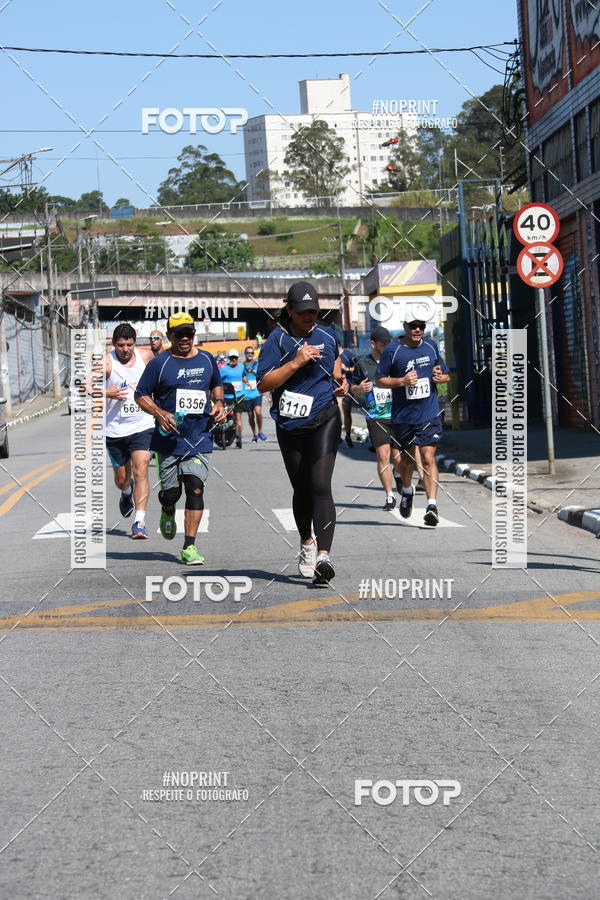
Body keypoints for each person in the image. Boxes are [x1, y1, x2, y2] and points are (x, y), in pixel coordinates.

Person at [257, 281, 348, 584]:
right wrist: (295, 363)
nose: (310, 316)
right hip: (290, 424)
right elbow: (264, 384)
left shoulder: (326, 335)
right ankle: (306, 542)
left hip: (325, 416)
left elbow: (335, 365)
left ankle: (324, 556)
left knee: (321, 484)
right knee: (303, 489)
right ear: (291, 311)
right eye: (304, 312)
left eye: (314, 311)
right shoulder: (277, 340)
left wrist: (341, 382)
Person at [134, 312, 226, 564]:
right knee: (172, 495)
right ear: (170, 335)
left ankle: (189, 547)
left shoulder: (207, 359)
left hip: (199, 437)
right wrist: (159, 412)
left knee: (195, 487)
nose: (185, 338)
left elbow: (217, 384)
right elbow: (140, 394)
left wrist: (218, 402)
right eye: (179, 334)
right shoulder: (160, 363)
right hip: (168, 440)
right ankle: (166, 509)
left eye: (189, 333)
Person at [376, 319, 450, 526]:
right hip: (404, 416)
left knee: (428, 457)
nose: (418, 330)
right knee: (406, 462)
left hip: (429, 412)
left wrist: (439, 377)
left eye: (422, 326)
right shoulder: (393, 350)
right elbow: (379, 380)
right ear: (405, 327)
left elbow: (446, 376)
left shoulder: (430, 346)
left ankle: (432, 505)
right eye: (413, 326)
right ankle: (407, 490)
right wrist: (401, 381)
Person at [103, 323, 155, 539]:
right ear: (114, 344)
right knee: (122, 479)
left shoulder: (146, 356)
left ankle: (139, 522)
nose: (125, 349)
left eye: (129, 344)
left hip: (143, 425)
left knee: (141, 468)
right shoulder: (106, 362)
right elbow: (83, 385)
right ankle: (126, 492)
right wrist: (107, 392)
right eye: (121, 345)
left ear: (135, 343)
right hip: (115, 430)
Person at [351, 326, 402, 511]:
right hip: (376, 416)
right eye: (383, 343)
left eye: (389, 342)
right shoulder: (362, 363)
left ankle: (398, 474)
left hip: (398, 415)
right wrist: (358, 389)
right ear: (373, 344)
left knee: (398, 459)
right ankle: (389, 496)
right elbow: (352, 388)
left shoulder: (396, 361)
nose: (387, 345)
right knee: (383, 455)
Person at [219, 349, 246, 448]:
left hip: (238, 396)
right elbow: (218, 380)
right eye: (231, 357)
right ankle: (225, 434)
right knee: (226, 417)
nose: (233, 359)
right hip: (227, 397)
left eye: (235, 357)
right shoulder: (224, 369)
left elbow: (244, 376)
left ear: (238, 358)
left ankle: (239, 437)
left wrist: (246, 382)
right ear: (229, 358)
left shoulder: (242, 367)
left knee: (238, 418)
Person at [241, 346, 267, 442]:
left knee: (258, 412)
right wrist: (245, 380)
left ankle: (260, 432)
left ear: (254, 354)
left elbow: (261, 375)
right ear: (245, 354)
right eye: (248, 353)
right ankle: (254, 434)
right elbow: (242, 377)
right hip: (246, 393)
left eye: (252, 353)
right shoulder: (242, 366)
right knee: (250, 415)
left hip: (257, 392)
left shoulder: (257, 364)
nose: (250, 354)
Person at [338, 343, 355, 448]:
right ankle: (337, 435)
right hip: (335, 387)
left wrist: (347, 369)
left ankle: (348, 435)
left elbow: (358, 367)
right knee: (337, 411)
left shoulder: (348, 354)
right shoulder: (332, 354)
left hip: (347, 388)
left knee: (347, 412)